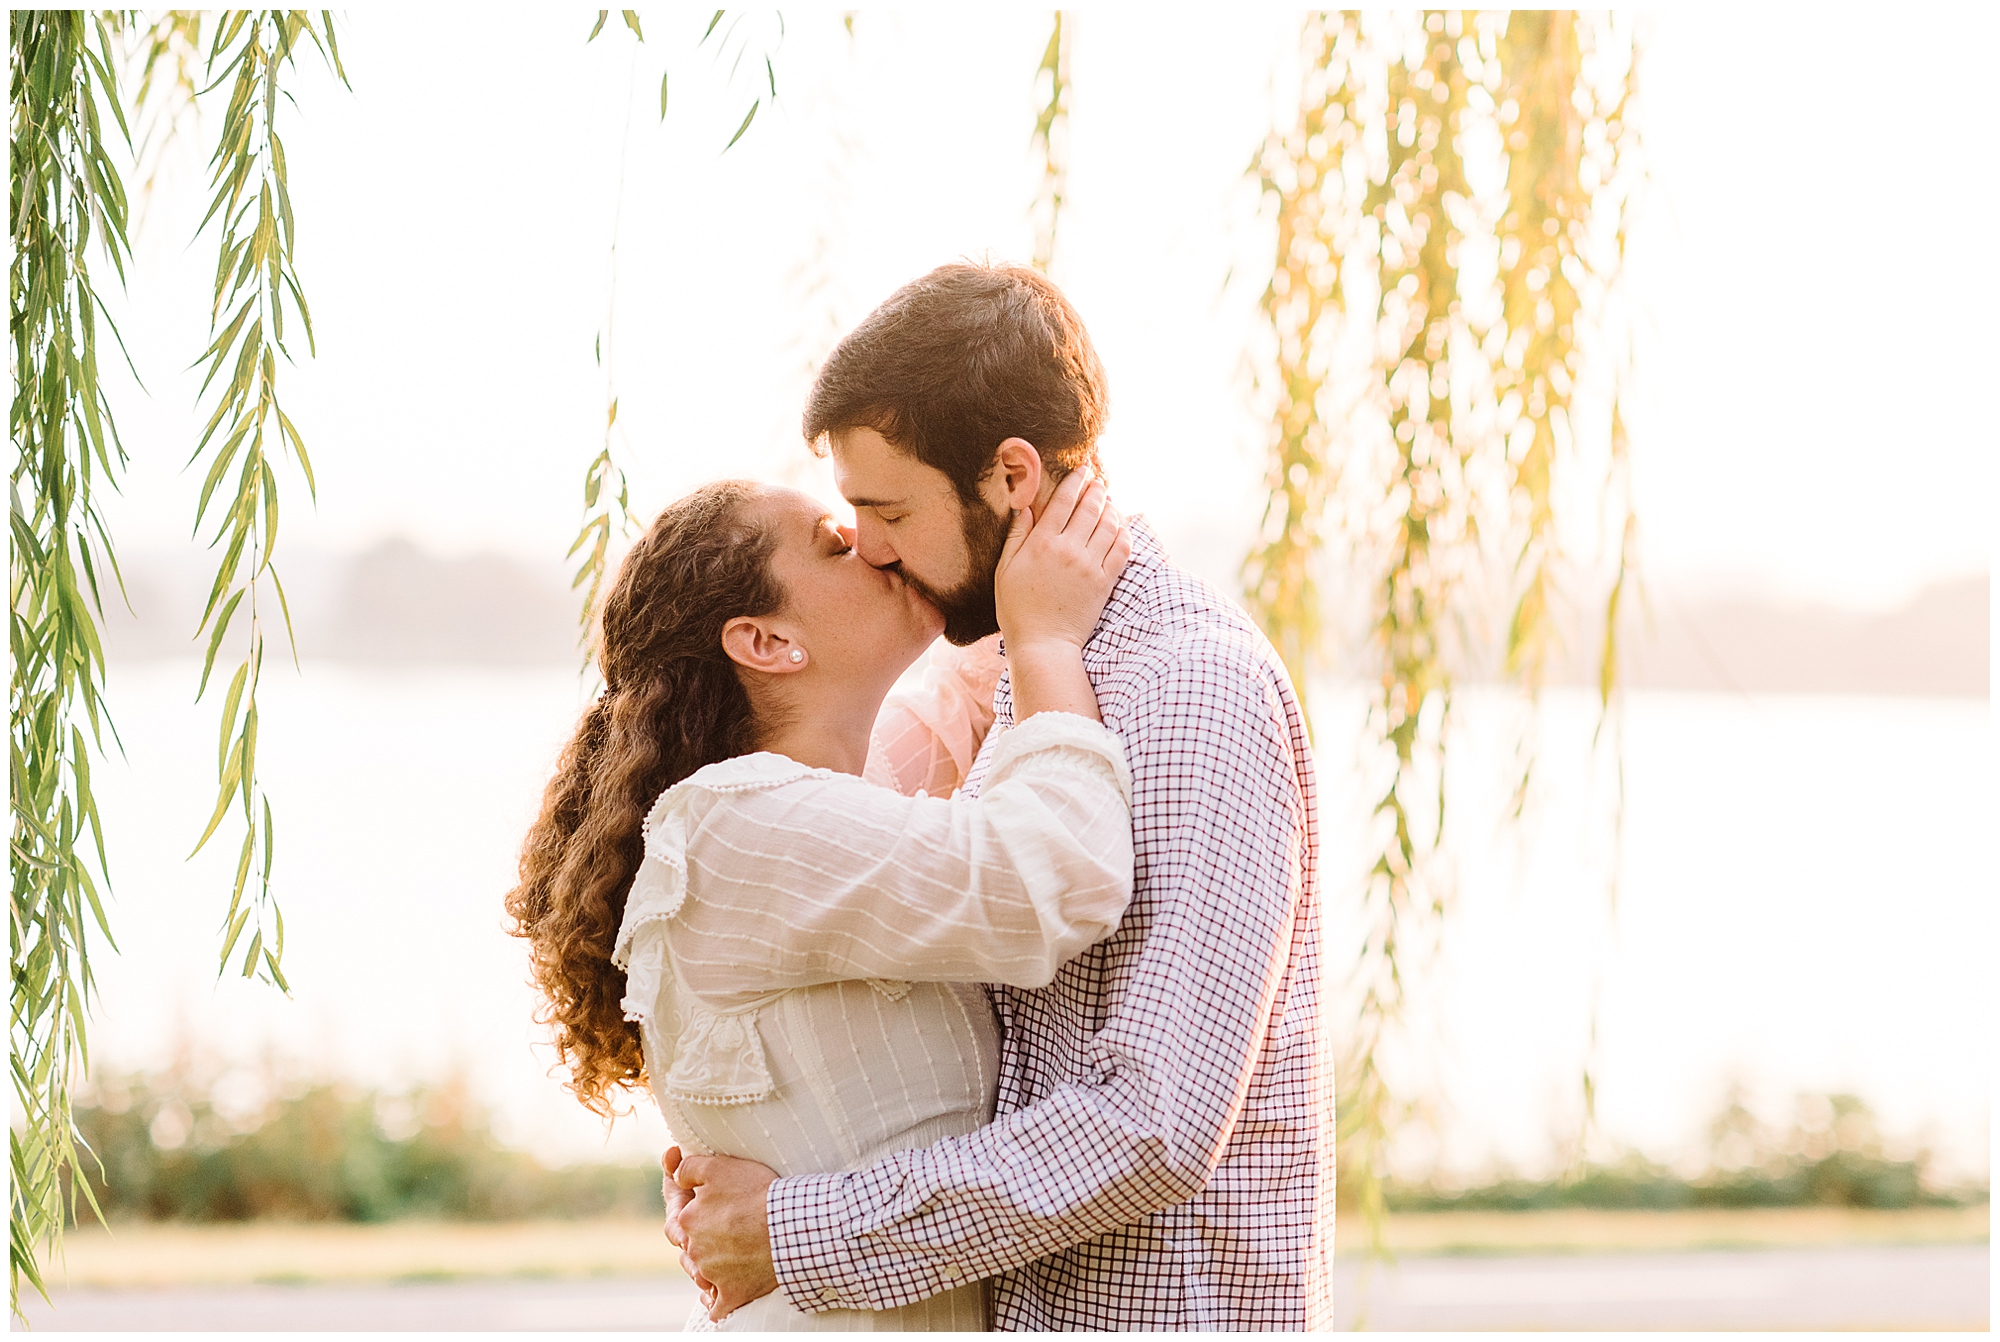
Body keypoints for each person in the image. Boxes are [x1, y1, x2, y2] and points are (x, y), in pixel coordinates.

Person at [668, 262, 1333, 1330]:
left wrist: (797, 1228)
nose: (872, 547)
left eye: (885, 508)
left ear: (1009, 478)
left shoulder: (1190, 687)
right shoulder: (1032, 680)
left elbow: (1153, 1123)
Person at [505, 471, 1135, 1330]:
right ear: (765, 642)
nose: (875, 545)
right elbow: (1058, 874)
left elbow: (952, 705)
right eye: (837, 544)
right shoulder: (744, 827)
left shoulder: (815, 799)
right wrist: (1049, 647)